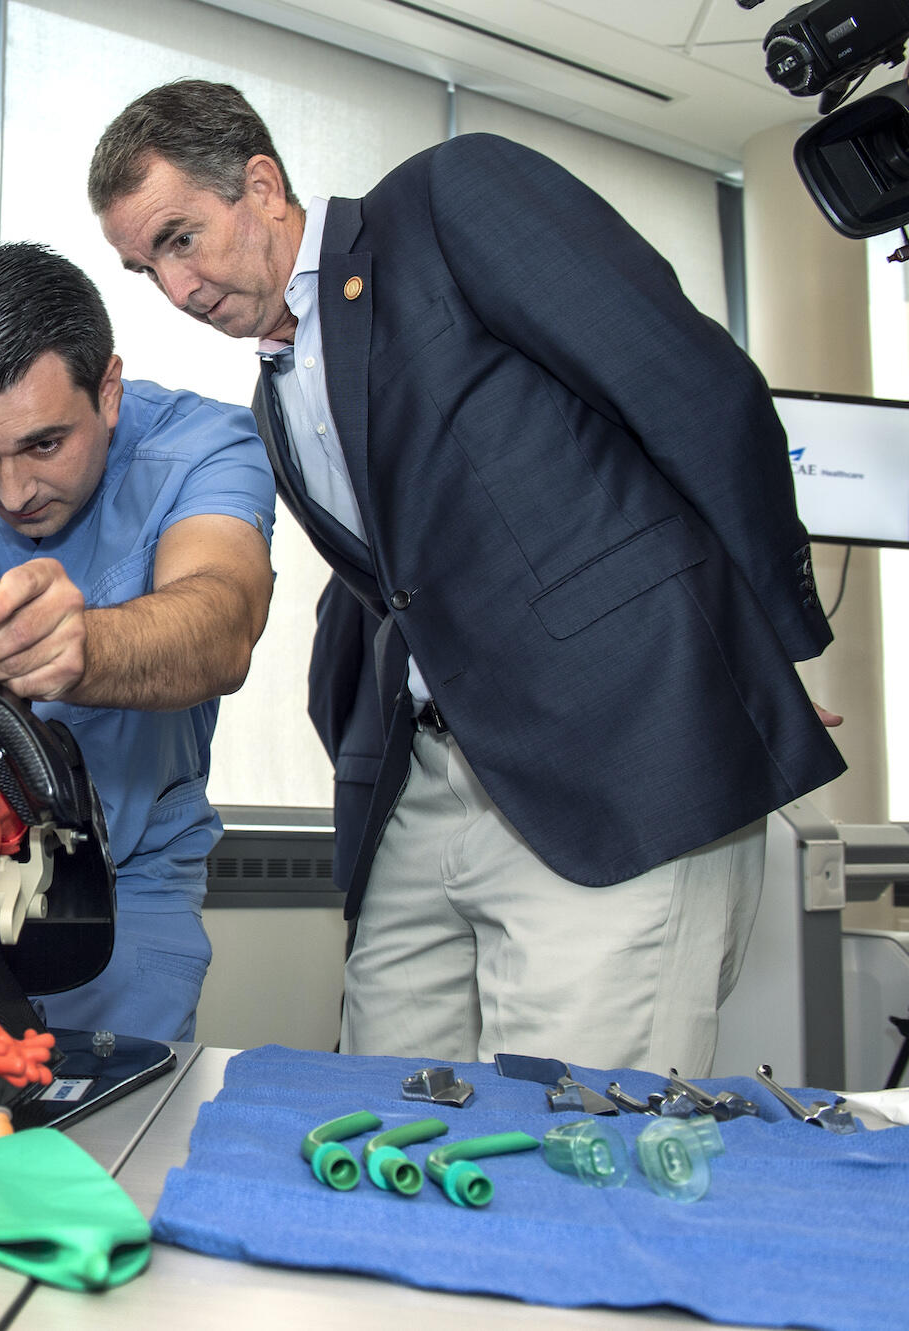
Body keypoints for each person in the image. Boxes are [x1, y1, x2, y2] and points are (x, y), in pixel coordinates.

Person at [88, 79, 846, 1074]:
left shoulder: (446, 203)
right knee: (379, 1131)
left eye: (179, 238)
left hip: (614, 760)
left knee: (573, 1148)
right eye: (145, 268)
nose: (175, 290)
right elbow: (392, 590)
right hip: (426, 792)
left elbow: (692, 390)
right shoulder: (270, 406)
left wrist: (770, 647)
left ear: (260, 185)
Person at [0, 241, 277, 1042]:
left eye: (43, 444)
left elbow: (224, 621)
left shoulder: (207, 446)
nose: (12, 491)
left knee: (111, 1144)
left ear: (107, 389)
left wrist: (89, 648)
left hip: (123, 880)